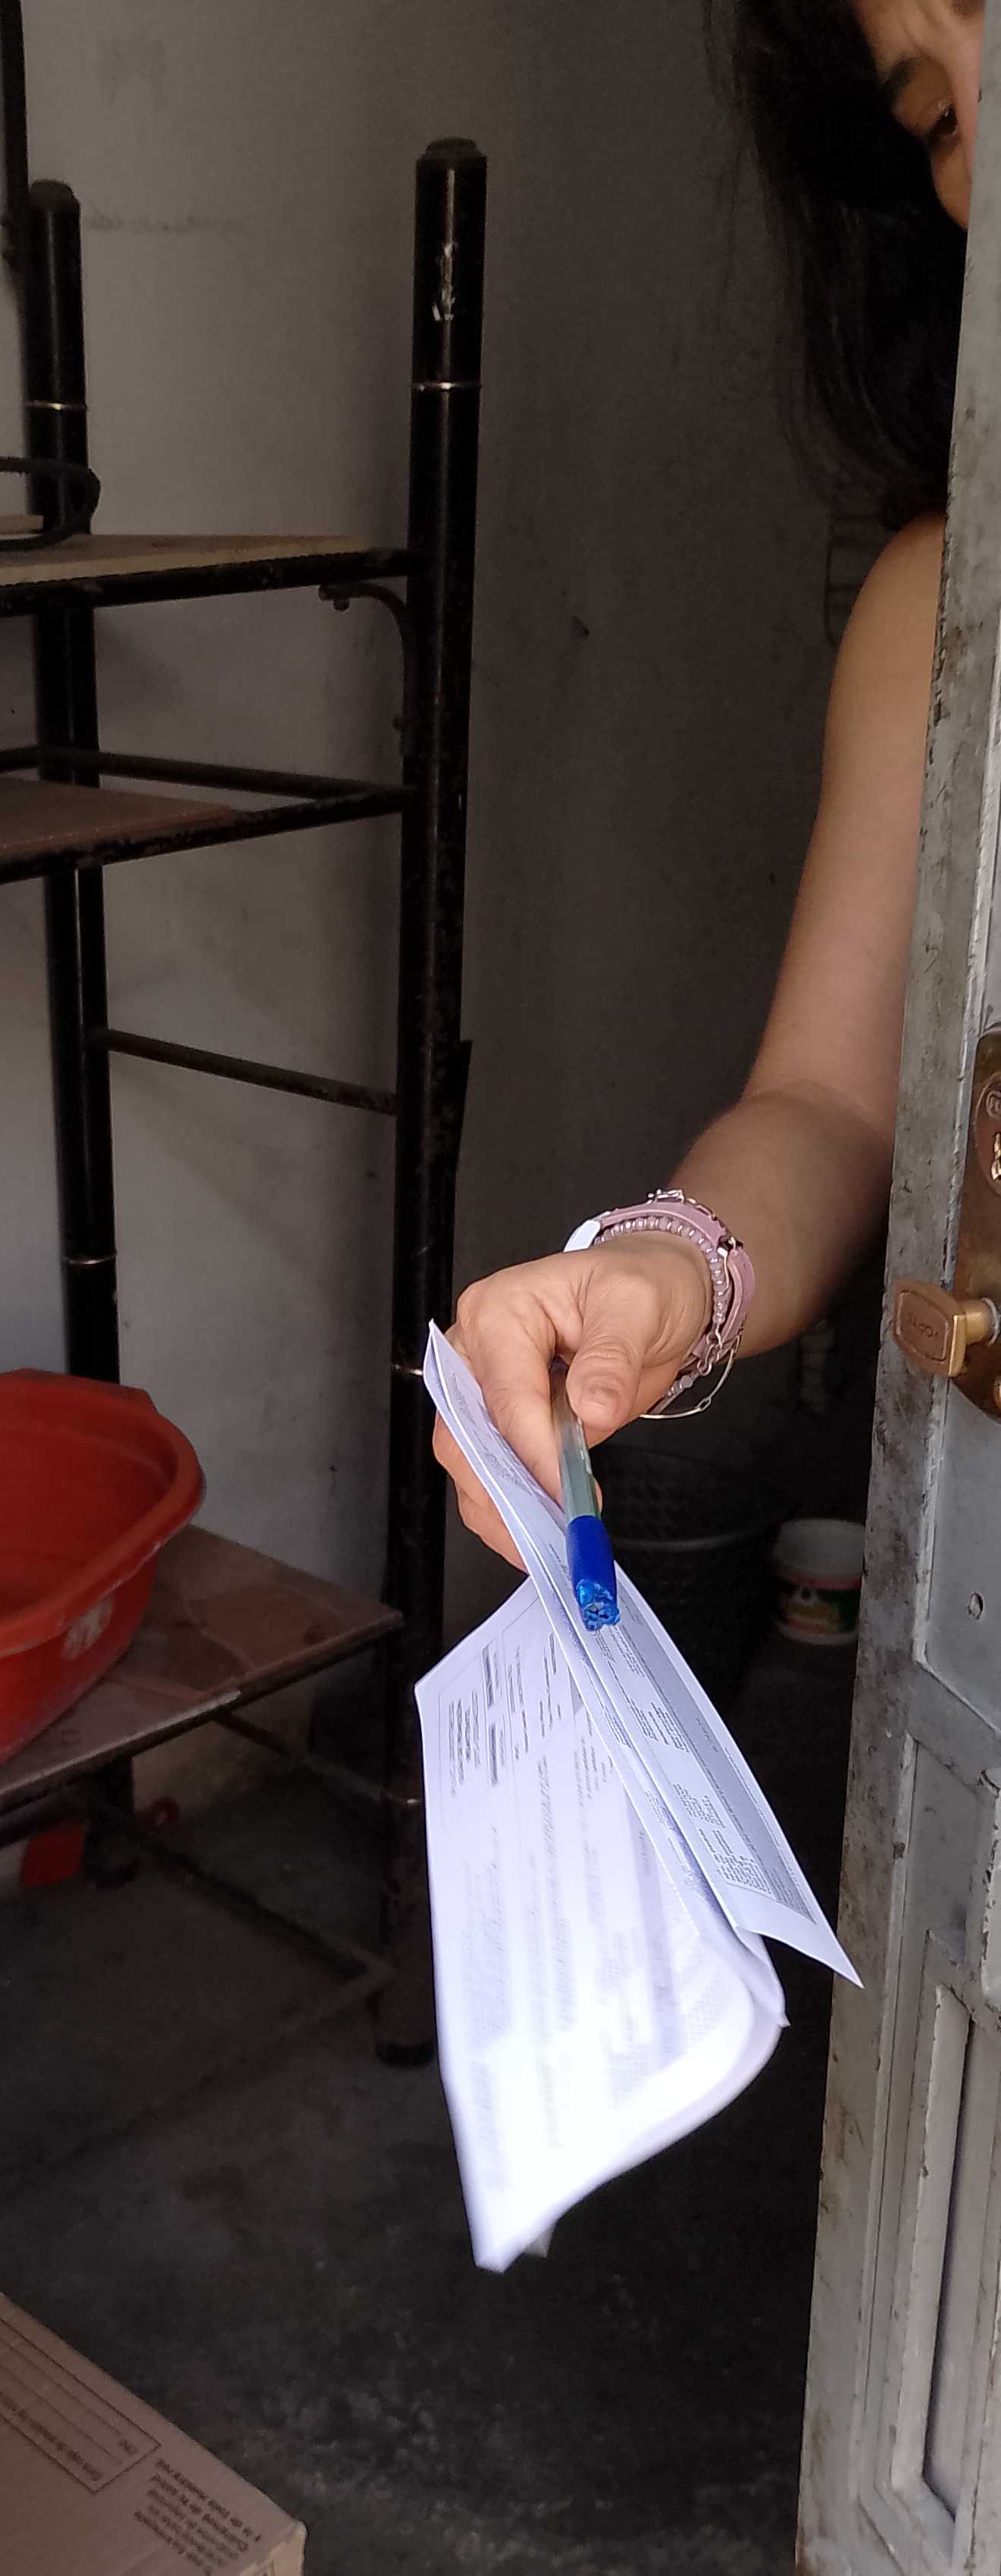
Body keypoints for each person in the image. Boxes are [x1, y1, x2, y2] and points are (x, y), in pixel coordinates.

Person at [437, 0, 981, 1565]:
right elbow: (827, 1103)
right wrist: (664, 1270)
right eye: (938, 120)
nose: (988, 146)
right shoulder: (942, 604)